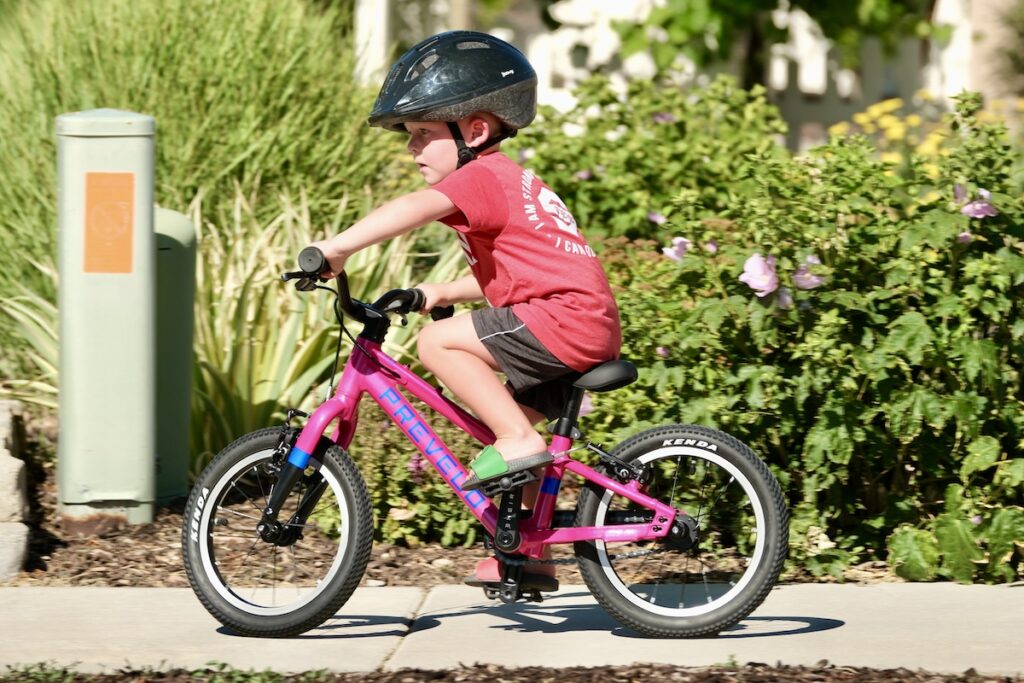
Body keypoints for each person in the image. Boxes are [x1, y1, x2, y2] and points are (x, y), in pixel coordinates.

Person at [307, 30, 621, 591]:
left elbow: (412, 209)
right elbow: (528, 271)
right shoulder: (509, 183)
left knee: (437, 344)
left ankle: (519, 446)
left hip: (560, 320)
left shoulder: (480, 175)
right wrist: (441, 293)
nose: (411, 149)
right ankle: (529, 554)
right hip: (575, 319)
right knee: (511, 429)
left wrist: (338, 249)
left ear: (475, 130)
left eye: (423, 134)